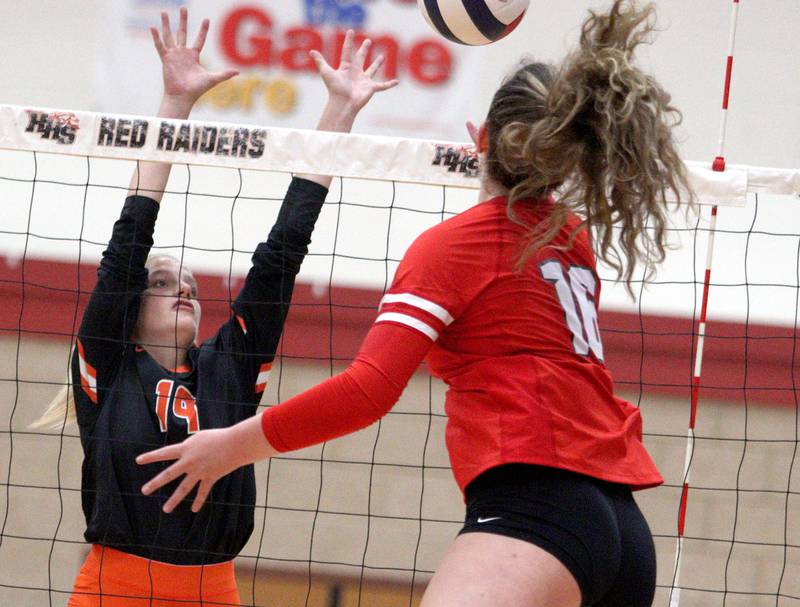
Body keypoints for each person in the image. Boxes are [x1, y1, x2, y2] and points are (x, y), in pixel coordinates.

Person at [137, 2, 691, 606]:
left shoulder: (455, 247)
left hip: (538, 512)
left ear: (480, 140)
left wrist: (228, 446)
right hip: (624, 529)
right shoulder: (570, 236)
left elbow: (367, 391)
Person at [33, 8, 397, 607]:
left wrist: (339, 115)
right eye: (161, 284)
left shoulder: (228, 368)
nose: (185, 290)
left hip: (215, 592)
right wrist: (173, 107)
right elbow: (127, 247)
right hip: (115, 592)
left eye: (191, 287)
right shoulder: (106, 368)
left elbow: (279, 263)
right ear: (127, 311)